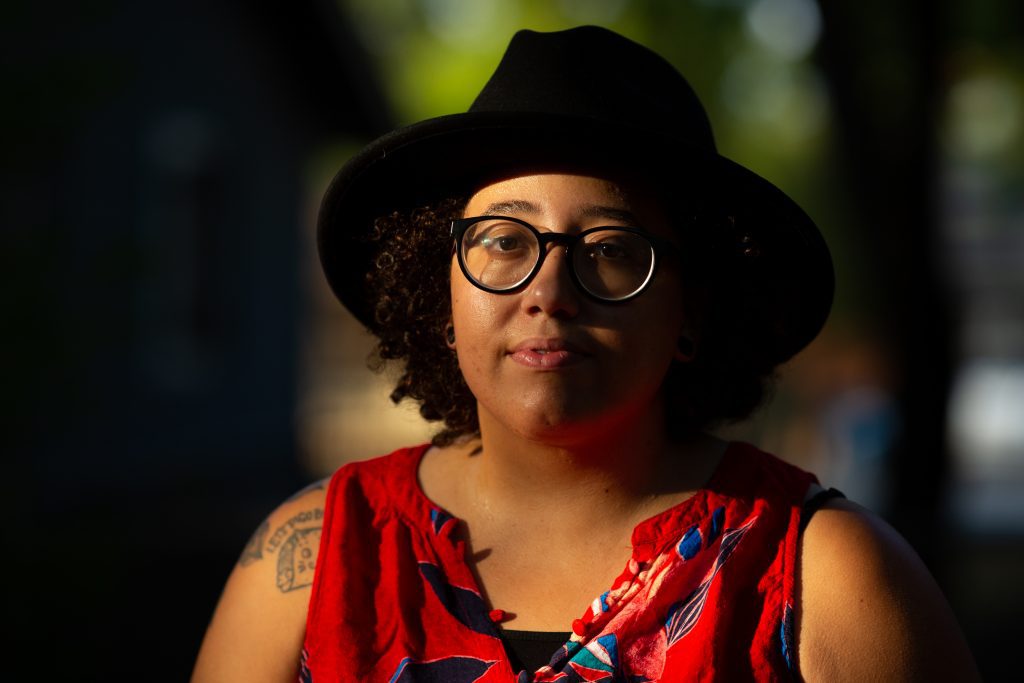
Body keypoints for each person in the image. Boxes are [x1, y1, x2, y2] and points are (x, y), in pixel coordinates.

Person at [192, 26, 979, 682]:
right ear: (442, 298)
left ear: (692, 309)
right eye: (504, 240)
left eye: (609, 250)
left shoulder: (825, 575)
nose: (549, 291)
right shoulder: (312, 559)